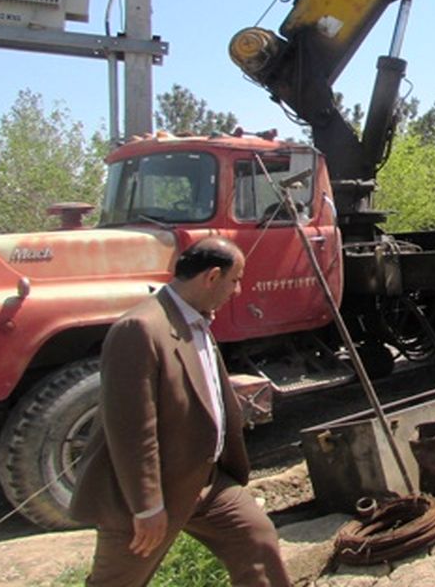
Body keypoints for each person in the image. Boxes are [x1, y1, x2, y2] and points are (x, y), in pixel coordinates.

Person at [70, 237, 290, 587]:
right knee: (117, 580)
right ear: (212, 277)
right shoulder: (141, 329)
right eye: (235, 280)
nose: (238, 290)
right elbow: (131, 428)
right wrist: (146, 506)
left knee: (256, 539)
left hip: (207, 481)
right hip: (152, 492)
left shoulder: (196, 319)